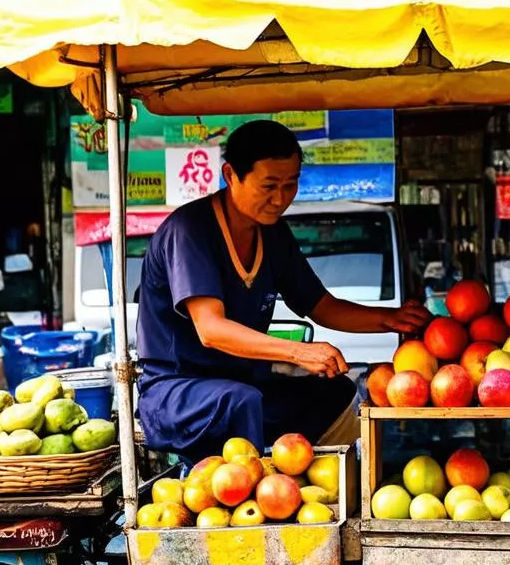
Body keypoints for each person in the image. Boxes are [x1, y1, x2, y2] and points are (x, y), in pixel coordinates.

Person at [137, 120, 429, 460]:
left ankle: (330, 483)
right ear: (230, 175)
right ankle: (252, 487)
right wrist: (298, 352)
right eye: (269, 186)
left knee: (334, 393)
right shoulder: (190, 231)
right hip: (176, 394)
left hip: (247, 385)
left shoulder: (273, 234)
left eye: (290, 185)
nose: (280, 199)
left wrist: (390, 319)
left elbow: (321, 306)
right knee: (240, 400)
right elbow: (211, 330)